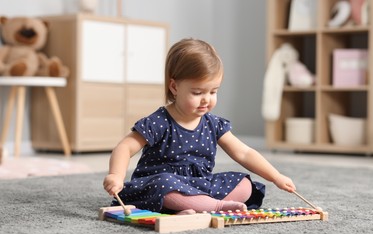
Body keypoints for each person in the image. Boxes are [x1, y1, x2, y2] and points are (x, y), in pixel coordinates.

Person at [103, 38, 296, 214]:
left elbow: (244, 153)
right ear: (174, 87)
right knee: (164, 185)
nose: (206, 100)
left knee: (244, 183)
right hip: (160, 185)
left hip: (199, 185)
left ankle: (192, 206)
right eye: (197, 92)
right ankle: (214, 207)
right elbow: (125, 147)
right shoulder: (159, 121)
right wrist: (116, 175)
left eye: (213, 91)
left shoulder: (214, 124)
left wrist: (276, 176)